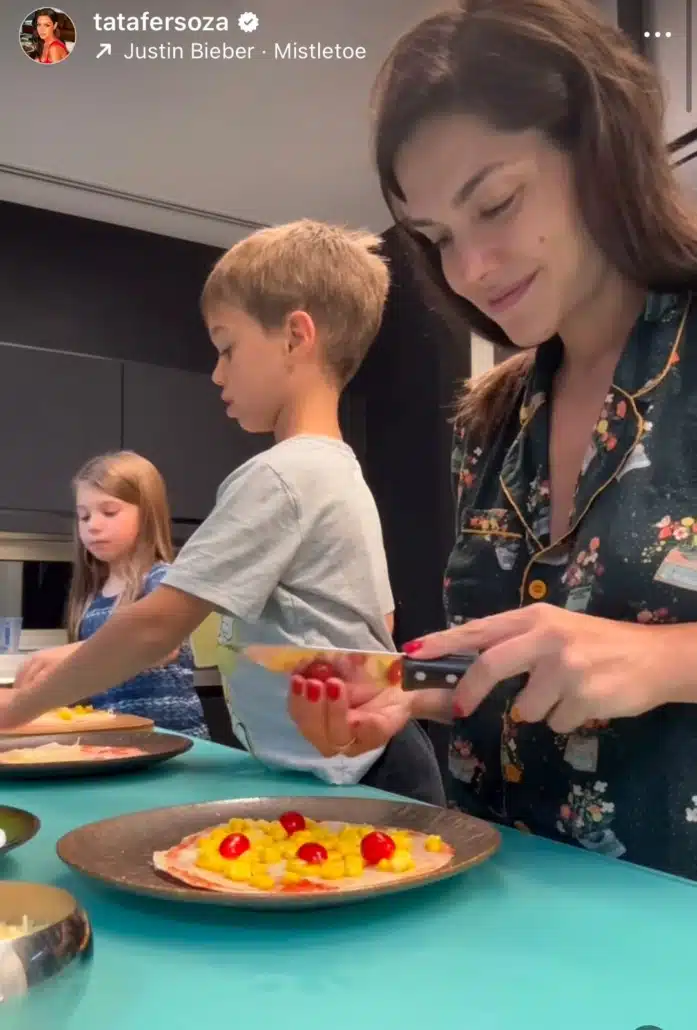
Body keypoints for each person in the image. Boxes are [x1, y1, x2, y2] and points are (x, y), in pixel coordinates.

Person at [288, 0, 697, 880]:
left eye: (496, 203)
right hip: (497, 905)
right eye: (434, 239)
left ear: (600, 150)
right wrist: (401, 696)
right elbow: (513, 677)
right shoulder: (492, 417)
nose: (467, 268)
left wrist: (669, 658)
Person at [4, 220, 445, 805]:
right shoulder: (338, 472)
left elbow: (158, 623)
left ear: (295, 337)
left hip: (359, 771)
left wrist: (16, 710)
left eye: (226, 347)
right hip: (377, 761)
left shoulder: (280, 475)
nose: (217, 373)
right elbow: (380, 624)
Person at [16, 451, 208, 738]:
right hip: (116, 742)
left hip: (176, 742)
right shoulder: (92, 600)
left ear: (147, 515)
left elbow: (161, 645)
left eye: (109, 512)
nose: (92, 524)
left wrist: (70, 653)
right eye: (84, 516)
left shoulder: (162, 580)